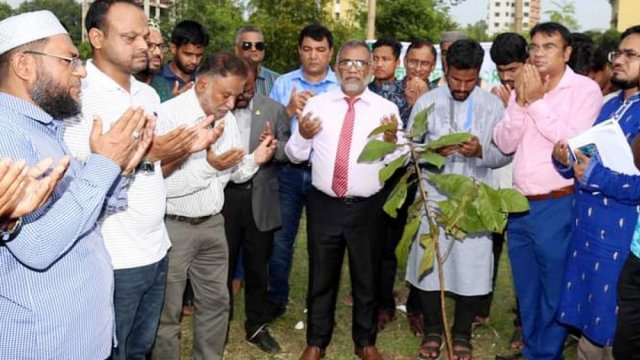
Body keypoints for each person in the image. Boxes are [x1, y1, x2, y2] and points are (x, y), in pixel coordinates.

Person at [65, 1, 216, 358]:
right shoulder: (78, 96)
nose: (144, 46)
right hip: (112, 256)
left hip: (156, 247)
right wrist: (147, 154)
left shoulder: (147, 94)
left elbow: (154, 172)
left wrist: (183, 148)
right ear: (97, 38)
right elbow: (77, 181)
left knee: (140, 348)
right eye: (130, 37)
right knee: (109, 350)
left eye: (145, 37)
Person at [0, 10, 151, 358]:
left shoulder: (44, 128)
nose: (81, 71)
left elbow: (80, 217)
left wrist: (120, 169)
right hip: (43, 344)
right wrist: (104, 164)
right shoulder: (6, 135)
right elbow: (37, 247)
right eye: (69, 60)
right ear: (24, 65)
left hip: (77, 335)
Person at [153, 52, 276, 360]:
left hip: (212, 224)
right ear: (203, 83)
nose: (231, 104)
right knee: (167, 312)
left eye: (236, 96)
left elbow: (233, 172)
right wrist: (209, 167)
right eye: (226, 94)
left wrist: (255, 159)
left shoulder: (227, 118)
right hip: (173, 227)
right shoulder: (168, 116)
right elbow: (160, 187)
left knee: (216, 303)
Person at [493, 22, 602, 360]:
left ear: (566, 52)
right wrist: (520, 103)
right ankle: (532, 351)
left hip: (558, 203)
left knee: (554, 288)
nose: (538, 53)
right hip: (519, 203)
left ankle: (546, 353)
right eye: (535, 46)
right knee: (526, 289)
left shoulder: (584, 90)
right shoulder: (524, 84)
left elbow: (572, 146)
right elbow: (503, 141)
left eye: (548, 46)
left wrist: (537, 103)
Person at [287, 39, 400, 360]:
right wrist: (303, 135)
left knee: (366, 276)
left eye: (361, 64)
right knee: (321, 275)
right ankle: (316, 341)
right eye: (347, 63)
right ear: (337, 68)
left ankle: (365, 341)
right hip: (324, 204)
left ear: (371, 69)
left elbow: (401, 161)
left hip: (368, 207)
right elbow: (295, 155)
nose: (353, 70)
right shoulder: (317, 105)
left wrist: (394, 143)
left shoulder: (385, 110)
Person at [405, 39, 510, 360]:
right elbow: (409, 149)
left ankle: (462, 334)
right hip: (434, 199)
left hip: (475, 200)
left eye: (469, 81)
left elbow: (504, 155)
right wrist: (430, 152)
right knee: (430, 265)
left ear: (479, 74)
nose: (462, 87)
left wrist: (480, 151)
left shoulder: (493, 106)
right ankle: (434, 332)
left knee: (473, 267)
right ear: (445, 69)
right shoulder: (427, 103)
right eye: (455, 80)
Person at [551, 25, 640, 360]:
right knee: (590, 322)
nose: (618, 60)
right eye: (618, 53)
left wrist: (595, 175)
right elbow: (588, 159)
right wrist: (565, 160)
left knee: (617, 330)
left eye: (631, 55)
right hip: (589, 233)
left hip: (621, 241)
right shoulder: (608, 105)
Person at [267, 24, 338, 319]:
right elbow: (269, 131)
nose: (313, 56)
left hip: (325, 174)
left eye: (320, 50)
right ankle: (276, 299)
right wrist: (287, 109)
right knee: (281, 239)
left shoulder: (340, 87)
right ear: (299, 51)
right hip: (288, 172)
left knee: (322, 242)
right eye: (307, 49)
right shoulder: (284, 84)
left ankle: (319, 303)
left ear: (330, 52)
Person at [223, 58, 290, 354]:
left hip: (260, 199)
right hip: (224, 199)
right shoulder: (218, 107)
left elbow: (291, 152)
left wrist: (274, 146)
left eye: (249, 89)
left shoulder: (274, 110)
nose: (244, 95)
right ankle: (218, 325)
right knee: (221, 267)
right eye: (239, 90)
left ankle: (257, 325)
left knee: (257, 267)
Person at [486, 32, 527, 355]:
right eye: (501, 69)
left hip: (528, 190)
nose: (506, 76)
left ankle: (523, 323)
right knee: (491, 247)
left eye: (512, 68)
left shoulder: (537, 91)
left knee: (524, 262)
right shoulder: (496, 93)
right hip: (497, 184)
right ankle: (480, 308)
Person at [151, 20, 208, 102]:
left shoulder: (204, 79)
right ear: (173, 48)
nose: (194, 61)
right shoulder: (155, 79)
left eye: (199, 55)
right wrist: (173, 103)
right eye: (188, 54)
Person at [235, 25, 280, 96]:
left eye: (259, 45)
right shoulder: (224, 80)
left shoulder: (278, 82)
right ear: (237, 49)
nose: (253, 49)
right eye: (247, 45)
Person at [135, 20, 167, 85]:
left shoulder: (161, 84)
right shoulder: (122, 83)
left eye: (161, 46)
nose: (157, 52)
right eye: (149, 45)